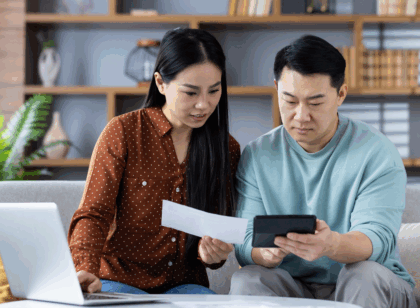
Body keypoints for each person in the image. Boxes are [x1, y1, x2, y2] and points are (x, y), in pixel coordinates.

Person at [230, 34, 417, 308]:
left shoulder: (376, 152)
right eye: (290, 101)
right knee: (248, 279)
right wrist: (264, 254)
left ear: (340, 94)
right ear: (276, 89)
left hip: (373, 283)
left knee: (361, 273)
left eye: (315, 103)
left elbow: (376, 239)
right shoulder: (258, 155)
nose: (301, 116)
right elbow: (246, 239)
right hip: (295, 287)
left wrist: (331, 245)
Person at [67, 27, 241, 295]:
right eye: (191, 93)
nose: (204, 105)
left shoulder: (227, 148)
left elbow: (215, 237)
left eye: (214, 91)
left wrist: (213, 256)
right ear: (161, 83)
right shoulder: (124, 132)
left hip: (185, 286)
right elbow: (94, 212)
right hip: (119, 280)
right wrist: (84, 268)